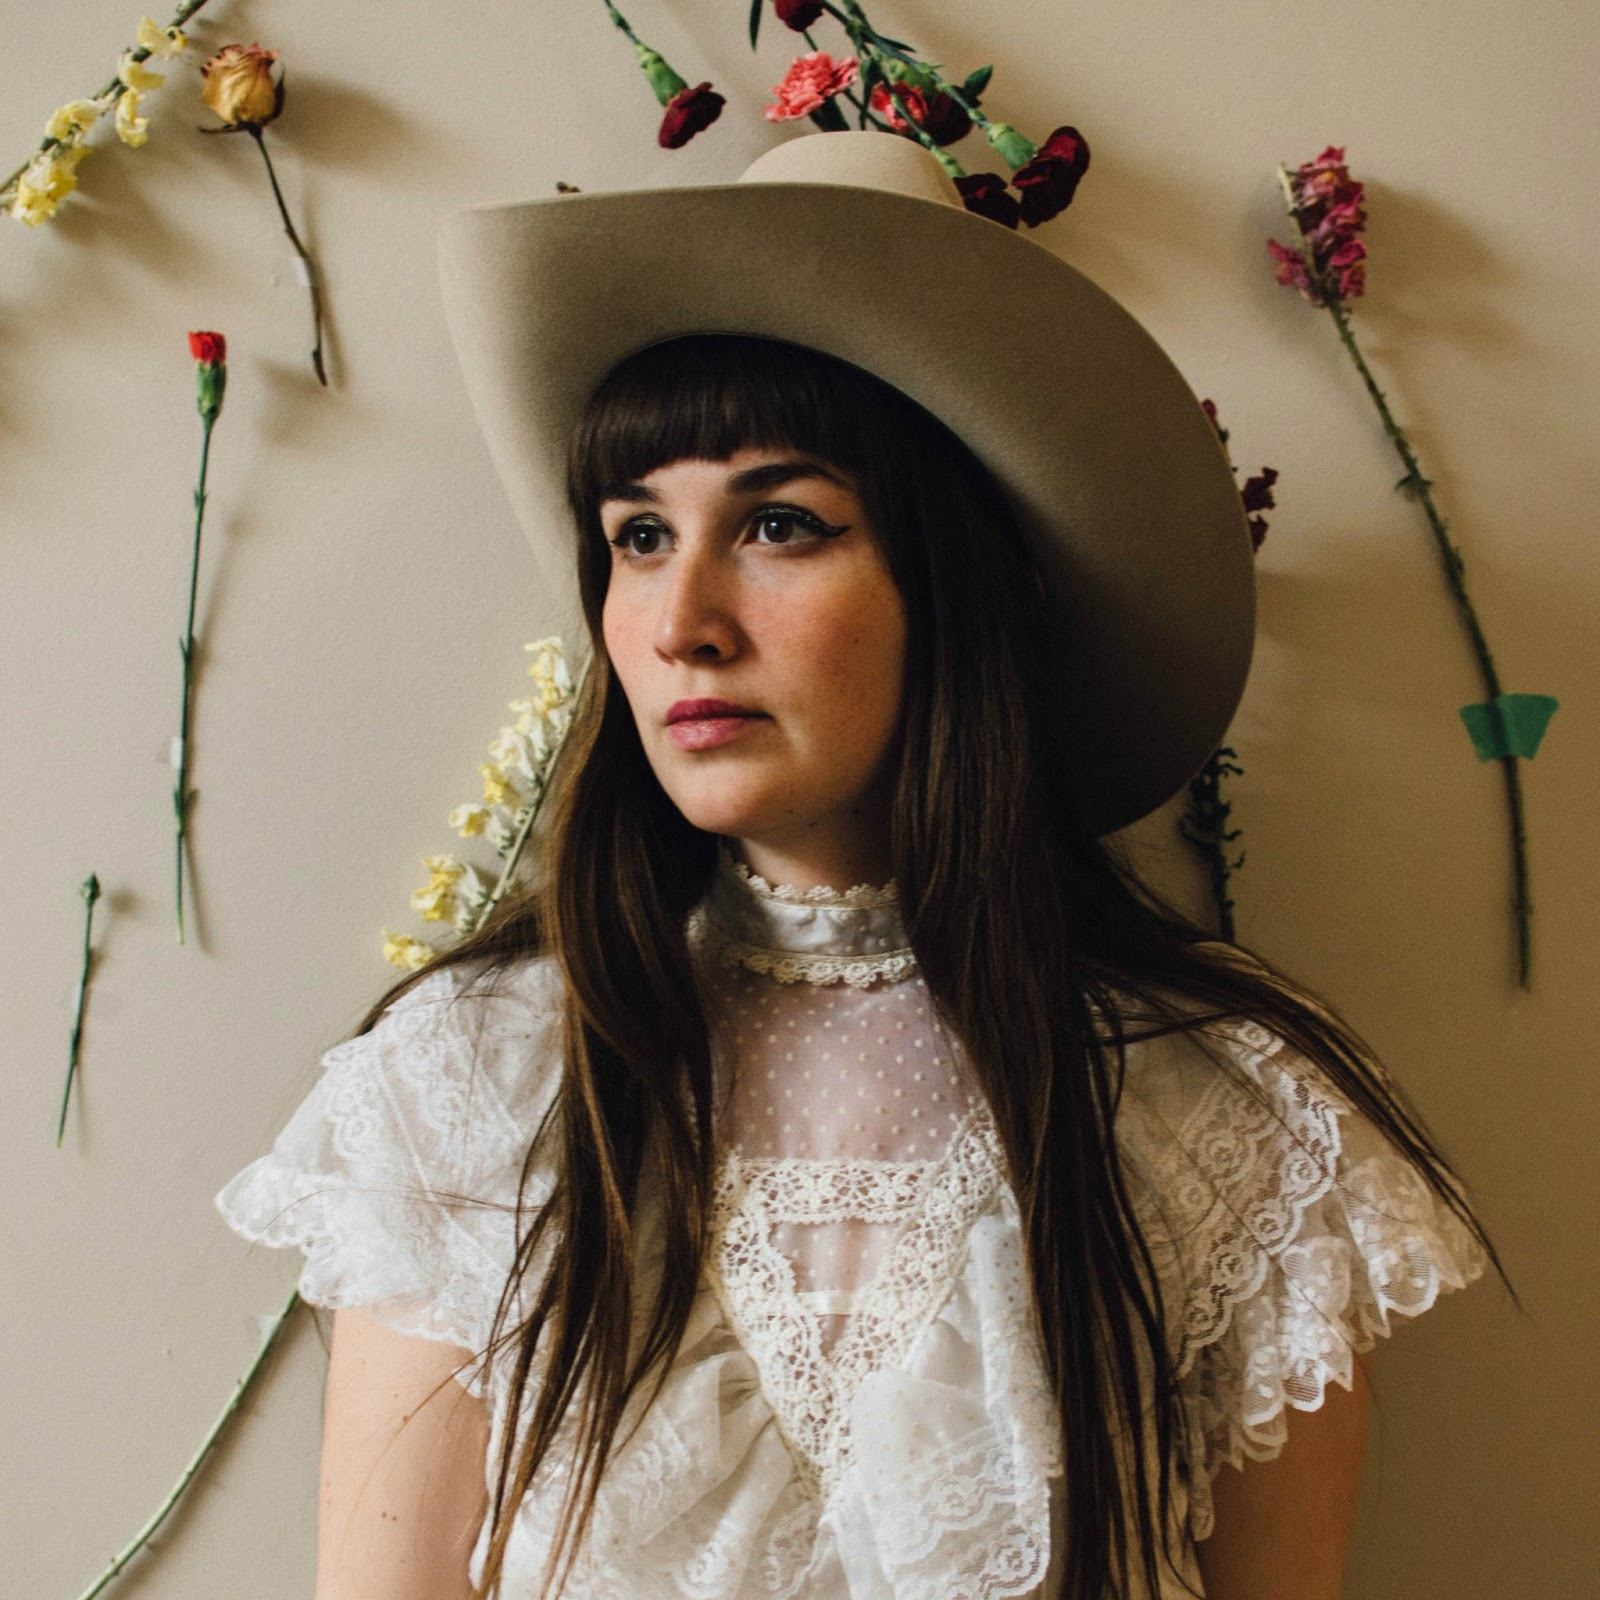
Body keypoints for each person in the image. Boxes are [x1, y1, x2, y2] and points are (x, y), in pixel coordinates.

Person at [215, 131, 1503, 1600]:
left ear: (959, 585)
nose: (681, 618)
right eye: (637, 535)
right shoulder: (474, 1088)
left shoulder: (1222, 1115)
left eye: (779, 525)